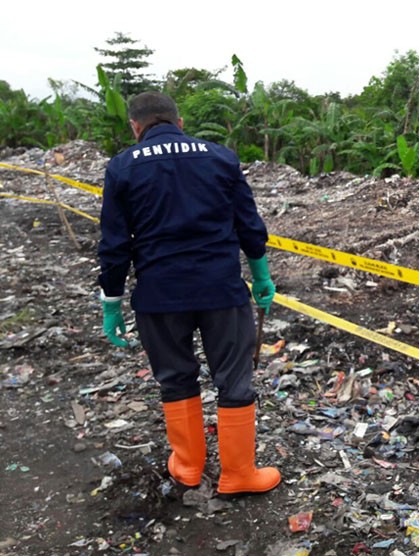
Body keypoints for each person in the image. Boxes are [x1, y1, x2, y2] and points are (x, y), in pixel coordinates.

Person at [97, 91, 280, 496]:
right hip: (222, 290)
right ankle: (238, 474)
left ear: (135, 126)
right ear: (179, 122)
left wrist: (111, 302)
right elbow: (248, 222)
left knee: (176, 379)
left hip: (159, 296)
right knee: (234, 378)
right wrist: (261, 275)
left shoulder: (122, 167)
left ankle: (188, 469)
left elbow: (114, 245)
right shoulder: (219, 157)